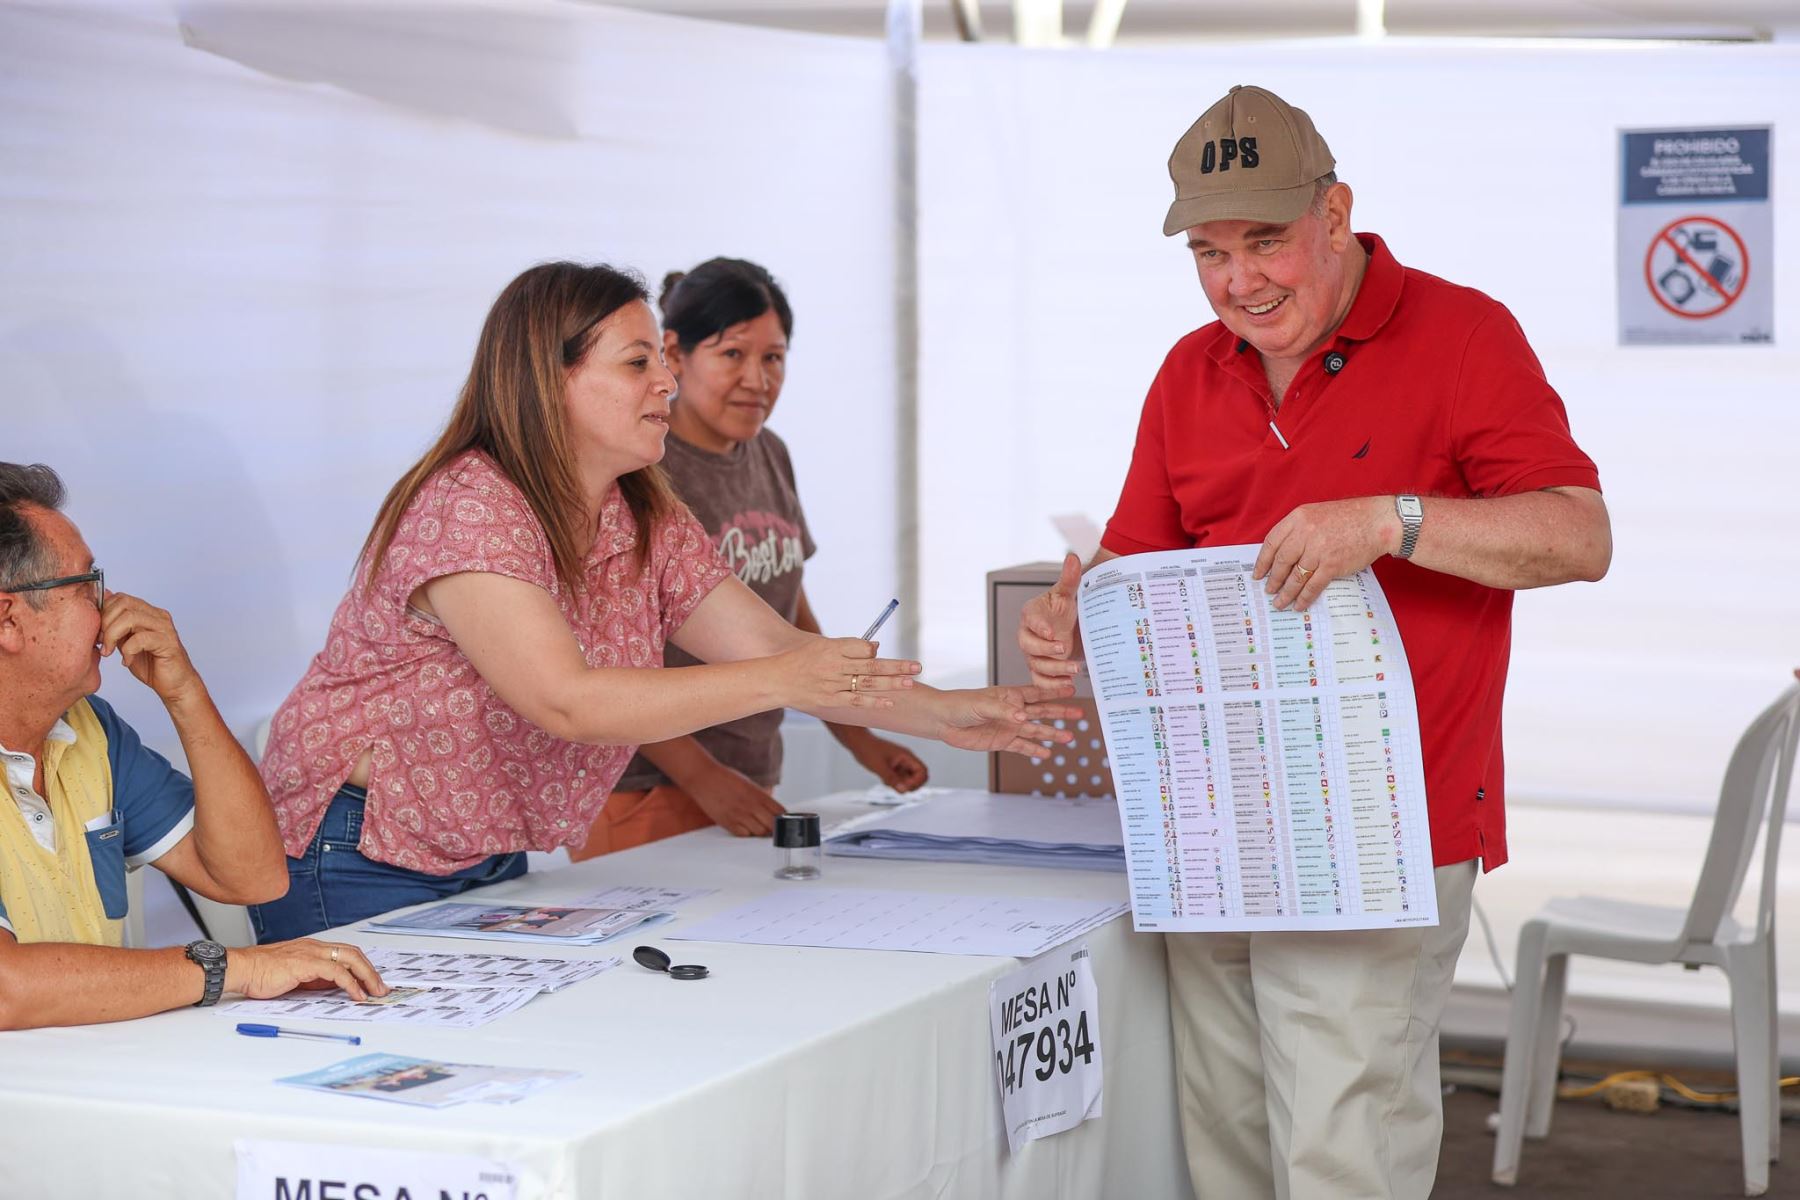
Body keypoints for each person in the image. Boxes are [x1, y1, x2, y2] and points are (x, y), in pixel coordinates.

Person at [1017, 86, 1611, 1199]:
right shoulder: (1190, 371)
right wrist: (1075, 620)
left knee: (1343, 1155)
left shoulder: (1464, 334)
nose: (1238, 281)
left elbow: (1581, 536)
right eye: (1208, 251)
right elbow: (1138, 573)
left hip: (1382, 827)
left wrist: (1396, 519)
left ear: (1336, 213)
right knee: (1229, 1143)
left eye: (1266, 243)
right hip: (1216, 826)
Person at [254, 261, 1076, 941]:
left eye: (664, 359)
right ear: (551, 378)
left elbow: (767, 641)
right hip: (356, 845)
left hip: (479, 845)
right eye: (638, 361)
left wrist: (943, 713)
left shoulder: (639, 505)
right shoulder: (473, 504)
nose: (667, 383)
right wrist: (786, 683)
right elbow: (567, 702)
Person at [0, 463, 387, 1029]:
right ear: (8, 618)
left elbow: (252, 877)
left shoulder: (90, 730)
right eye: (86, 585)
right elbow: (7, 990)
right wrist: (232, 969)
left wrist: (185, 693)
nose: (108, 606)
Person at [572, 258, 928, 857]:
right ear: (674, 355)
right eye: (733, 354)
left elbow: (789, 615)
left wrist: (860, 741)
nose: (757, 379)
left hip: (749, 774)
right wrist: (707, 780)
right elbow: (603, 659)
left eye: (774, 358)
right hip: (646, 786)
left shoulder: (770, 454)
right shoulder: (640, 470)